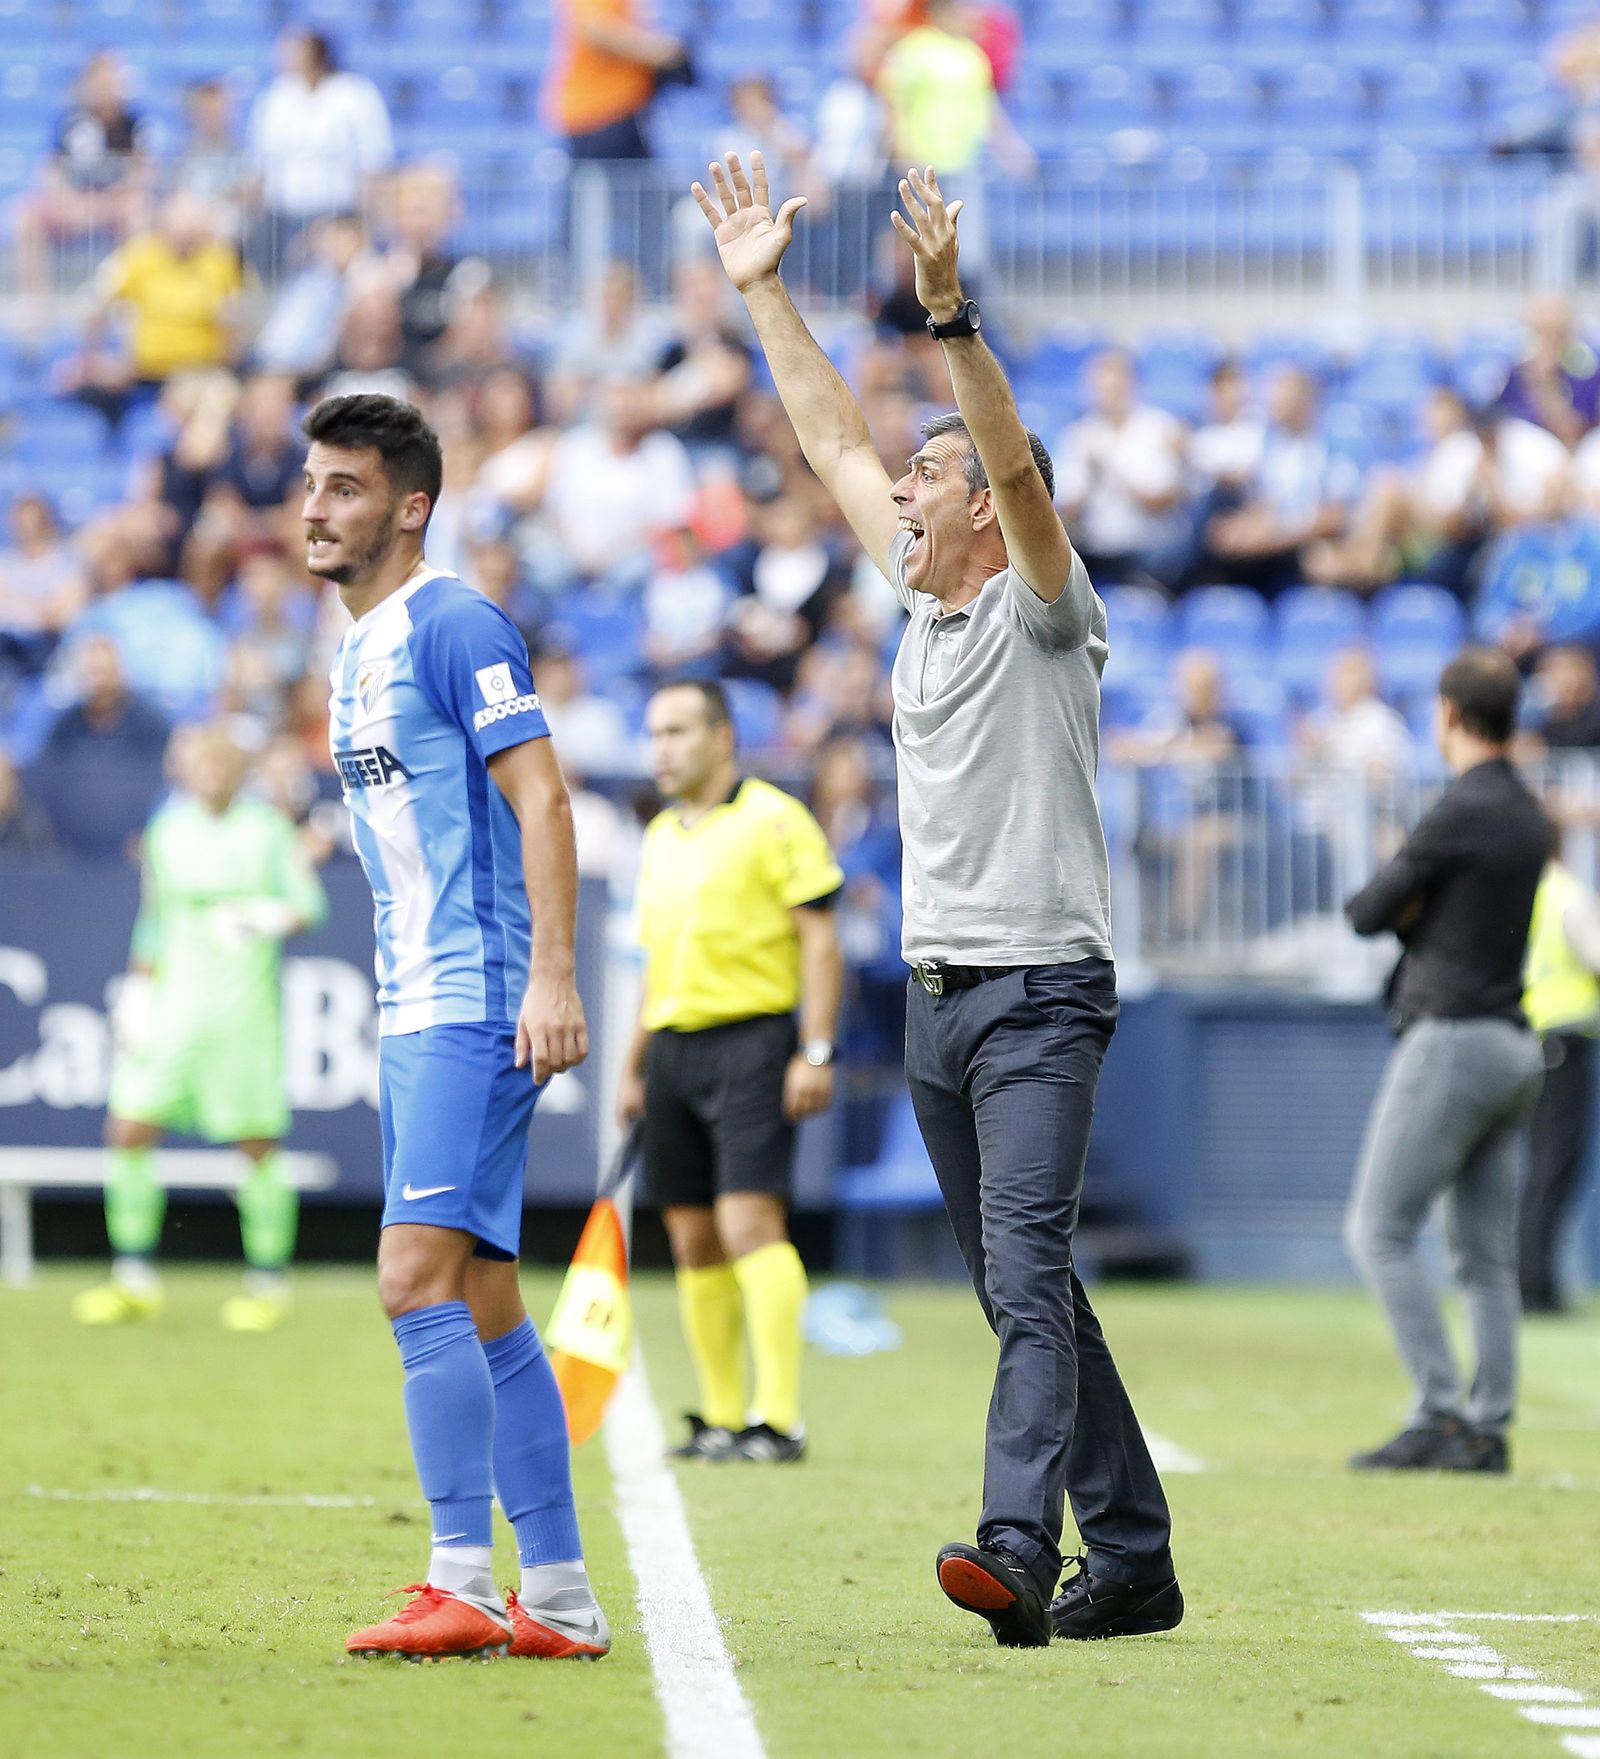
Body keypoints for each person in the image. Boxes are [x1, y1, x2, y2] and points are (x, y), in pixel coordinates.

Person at [692, 150, 1179, 1646]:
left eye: (929, 473)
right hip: (937, 998)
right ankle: (1142, 1556)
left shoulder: (1043, 601)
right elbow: (831, 429)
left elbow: (1019, 471)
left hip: (1040, 988)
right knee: (1018, 1284)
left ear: (979, 504)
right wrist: (764, 288)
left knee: (1024, 1271)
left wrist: (953, 317)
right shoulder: (919, 590)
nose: (901, 484)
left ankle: (1018, 1548)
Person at [302, 393, 608, 1663]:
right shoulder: (357, 645)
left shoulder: (455, 623)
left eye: (347, 488)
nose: (318, 507)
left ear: (410, 505)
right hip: (418, 997)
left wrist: (552, 976)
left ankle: (461, 1581)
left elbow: (543, 801)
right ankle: (561, 1596)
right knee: (484, 1295)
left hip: (474, 996)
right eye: (313, 485)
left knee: (409, 1279)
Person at [618, 679, 845, 1464]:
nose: (662, 748)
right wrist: (633, 1067)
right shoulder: (658, 838)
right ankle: (720, 1416)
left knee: (751, 1224)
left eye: (678, 730)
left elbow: (820, 942)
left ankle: (777, 1419)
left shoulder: (776, 820)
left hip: (753, 1040)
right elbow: (654, 965)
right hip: (675, 1047)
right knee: (691, 1236)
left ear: (722, 737)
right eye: (654, 733)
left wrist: (815, 1049)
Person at [1343, 649, 1550, 1474]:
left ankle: (1436, 1410)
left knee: (1378, 1229)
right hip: (1515, 1045)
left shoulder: (1459, 808)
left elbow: (1366, 910)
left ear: (1451, 715)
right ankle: (1488, 1426)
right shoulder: (1531, 813)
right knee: (1486, 1258)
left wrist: (1409, 885)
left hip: (1455, 1039)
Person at [71, 725, 327, 1331]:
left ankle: (268, 1282)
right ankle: (132, 1275)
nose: (208, 773)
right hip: (172, 1009)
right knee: (128, 1128)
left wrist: (263, 916)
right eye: (197, 764)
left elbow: (309, 907)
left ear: (238, 769)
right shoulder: (167, 830)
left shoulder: (267, 830)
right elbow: (153, 918)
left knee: (255, 1141)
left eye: (220, 763)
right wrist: (136, 992)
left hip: (242, 1012)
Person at [1518, 854, 1600, 1313]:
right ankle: (1535, 1288)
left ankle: (1532, 1281)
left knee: (1539, 1165)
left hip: (1526, 1034)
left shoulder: (1518, 889)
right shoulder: (1567, 894)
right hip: (1563, 1040)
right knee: (1555, 1165)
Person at [246, 29, 394, 273]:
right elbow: (259, 162)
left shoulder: (355, 94)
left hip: (339, 213)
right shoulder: (276, 96)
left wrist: (368, 220)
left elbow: (374, 160)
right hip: (282, 216)